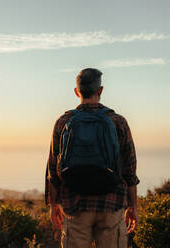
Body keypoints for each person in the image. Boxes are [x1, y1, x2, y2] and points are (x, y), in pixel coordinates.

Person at [45, 68, 139, 247]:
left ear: (76, 92)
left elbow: (52, 169)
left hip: (75, 205)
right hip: (111, 204)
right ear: (100, 90)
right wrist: (133, 206)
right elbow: (130, 168)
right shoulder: (118, 121)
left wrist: (53, 205)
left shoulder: (63, 122)